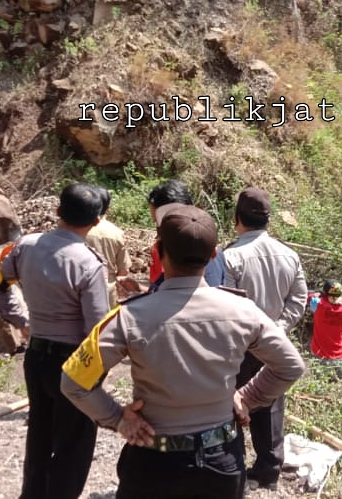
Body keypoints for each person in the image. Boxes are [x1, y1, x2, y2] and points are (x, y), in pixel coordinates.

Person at [60, 204, 306, 499]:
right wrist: (247, 397)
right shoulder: (243, 311)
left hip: (153, 462)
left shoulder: (128, 317)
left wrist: (118, 418)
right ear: (214, 255)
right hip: (221, 461)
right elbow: (290, 365)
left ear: (157, 251)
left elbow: (73, 381)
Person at [0, 183, 109, 499]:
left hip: (36, 354)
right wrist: (98, 378)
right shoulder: (89, 264)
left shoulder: (24, 246)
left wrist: (20, 319)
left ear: (58, 211)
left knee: (40, 432)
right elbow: (96, 330)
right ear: (97, 221)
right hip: (74, 361)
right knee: (75, 441)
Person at [219, 186, 307, 491]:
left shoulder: (230, 257)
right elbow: (299, 300)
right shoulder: (289, 254)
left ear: (236, 218)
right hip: (274, 343)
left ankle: (235, 468)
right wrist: (276, 331)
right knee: (269, 405)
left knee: (232, 404)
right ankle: (269, 470)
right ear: (268, 220)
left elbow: (225, 305)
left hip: (238, 346)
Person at [85, 186, 133, 308]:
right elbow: (123, 271)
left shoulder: (79, 230)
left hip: (81, 290)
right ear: (108, 207)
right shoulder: (116, 233)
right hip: (108, 292)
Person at [309, 280, 342, 379]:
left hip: (320, 358)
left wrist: (318, 294)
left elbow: (309, 297)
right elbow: (338, 301)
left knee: (318, 392)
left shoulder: (318, 303)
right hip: (339, 359)